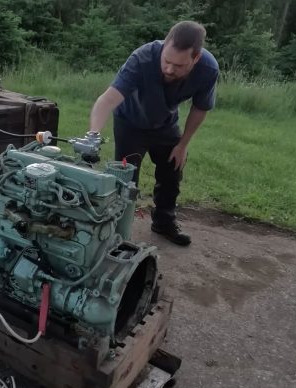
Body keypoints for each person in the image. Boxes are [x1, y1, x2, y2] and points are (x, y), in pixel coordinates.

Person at [88, 20, 219, 246]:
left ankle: (163, 222)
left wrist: (182, 145)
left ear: (195, 58)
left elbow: (200, 108)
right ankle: (117, 231)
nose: (169, 69)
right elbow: (107, 99)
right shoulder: (142, 58)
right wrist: (93, 135)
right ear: (163, 46)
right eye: (166, 61)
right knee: (125, 179)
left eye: (178, 66)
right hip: (129, 123)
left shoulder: (208, 69)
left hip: (166, 125)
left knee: (172, 172)